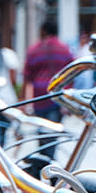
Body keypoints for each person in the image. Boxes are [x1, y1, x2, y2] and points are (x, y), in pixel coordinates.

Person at [22, 20, 76, 159]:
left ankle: (43, 164)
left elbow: (27, 77)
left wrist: (23, 100)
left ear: (44, 31)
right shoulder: (64, 49)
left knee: (41, 134)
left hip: (39, 97)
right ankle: (49, 167)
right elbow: (72, 74)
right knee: (52, 136)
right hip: (57, 98)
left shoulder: (34, 49)